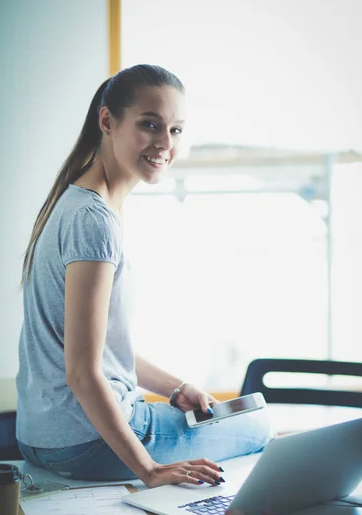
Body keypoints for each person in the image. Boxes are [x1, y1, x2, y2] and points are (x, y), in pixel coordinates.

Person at [16, 64, 271, 487]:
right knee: (260, 426)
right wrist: (148, 470)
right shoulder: (93, 220)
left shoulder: (75, 204)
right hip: (86, 442)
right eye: (150, 125)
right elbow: (82, 372)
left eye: (175, 131)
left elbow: (97, 348)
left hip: (41, 438)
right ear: (107, 121)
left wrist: (176, 387)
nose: (164, 144)